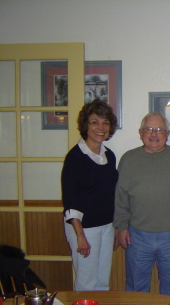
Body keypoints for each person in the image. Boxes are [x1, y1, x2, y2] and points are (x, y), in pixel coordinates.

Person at [113, 112, 170, 297]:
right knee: (135, 290)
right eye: (149, 129)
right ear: (140, 133)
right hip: (137, 236)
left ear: (168, 133)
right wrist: (122, 226)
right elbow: (120, 197)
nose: (154, 134)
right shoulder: (129, 159)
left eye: (159, 130)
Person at [61, 99, 118, 291]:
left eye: (105, 122)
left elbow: (110, 194)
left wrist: (115, 227)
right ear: (86, 125)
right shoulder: (75, 157)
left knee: (102, 282)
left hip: (106, 227)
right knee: (86, 283)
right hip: (84, 229)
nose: (100, 127)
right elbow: (70, 200)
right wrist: (80, 235)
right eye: (95, 122)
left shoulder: (109, 155)